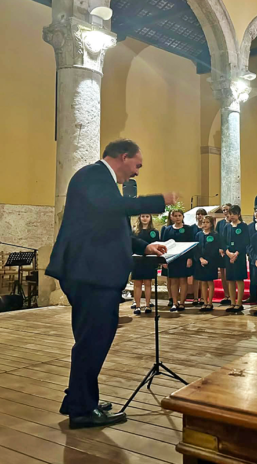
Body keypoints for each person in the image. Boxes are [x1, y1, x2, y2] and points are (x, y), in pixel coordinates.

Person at [46, 139, 175, 428]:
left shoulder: (102, 183)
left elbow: (112, 227)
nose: (137, 172)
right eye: (137, 165)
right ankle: (82, 410)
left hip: (92, 273)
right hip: (90, 274)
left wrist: (144, 246)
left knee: (90, 340)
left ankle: (78, 398)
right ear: (123, 157)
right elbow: (114, 208)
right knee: (93, 341)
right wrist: (159, 201)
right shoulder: (91, 175)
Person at [161, 209, 195, 312]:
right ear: (172, 217)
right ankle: (175, 303)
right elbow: (164, 245)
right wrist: (164, 260)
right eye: (175, 216)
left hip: (184, 258)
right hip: (172, 258)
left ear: (183, 217)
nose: (177, 218)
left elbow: (191, 244)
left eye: (179, 215)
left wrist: (190, 258)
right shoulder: (168, 230)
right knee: (173, 281)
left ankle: (182, 302)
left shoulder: (188, 229)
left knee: (183, 280)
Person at [131, 213, 159, 315]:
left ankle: (147, 305)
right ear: (139, 217)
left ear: (150, 218)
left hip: (149, 260)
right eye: (143, 216)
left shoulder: (154, 232)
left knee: (148, 283)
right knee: (137, 284)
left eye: (147, 216)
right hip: (137, 260)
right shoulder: (134, 231)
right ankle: (138, 306)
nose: (145, 218)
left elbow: (156, 245)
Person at [223, 205, 249, 313]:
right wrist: (228, 253)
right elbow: (223, 241)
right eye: (231, 214)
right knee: (230, 280)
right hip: (229, 256)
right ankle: (232, 302)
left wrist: (236, 254)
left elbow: (245, 241)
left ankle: (239, 303)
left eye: (234, 214)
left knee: (239, 279)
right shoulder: (227, 227)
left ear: (239, 214)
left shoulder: (243, 226)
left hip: (239, 256)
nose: (232, 216)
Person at [194, 215, 221, 312]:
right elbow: (196, 248)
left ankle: (210, 302)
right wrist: (200, 259)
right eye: (203, 222)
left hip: (211, 262)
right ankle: (204, 302)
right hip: (200, 262)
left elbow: (215, 249)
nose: (205, 224)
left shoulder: (215, 235)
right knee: (203, 282)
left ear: (211, 224)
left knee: (210, 282)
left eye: (207, 222)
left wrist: (208, 260)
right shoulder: (198, 235)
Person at [215, 203, 233, 305]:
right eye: (224, 210)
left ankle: (232, 295)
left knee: (229, 274)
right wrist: (220, 248)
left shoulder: (233, 222)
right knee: (223, 274)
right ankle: (226, 295)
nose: (225, 212)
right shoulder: (220, 223)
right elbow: (217, 236)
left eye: (227, 210)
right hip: (221, 251)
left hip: (231, 251)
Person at [190, 207, 208, 306]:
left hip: (205, 255)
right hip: (195, 254)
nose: (200, 216)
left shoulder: (208, 228)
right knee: (195, 277)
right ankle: (195, 297)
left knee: (203, 277)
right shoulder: (192, 227)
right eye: (198, 214)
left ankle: (203, 297)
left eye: (202, 214)